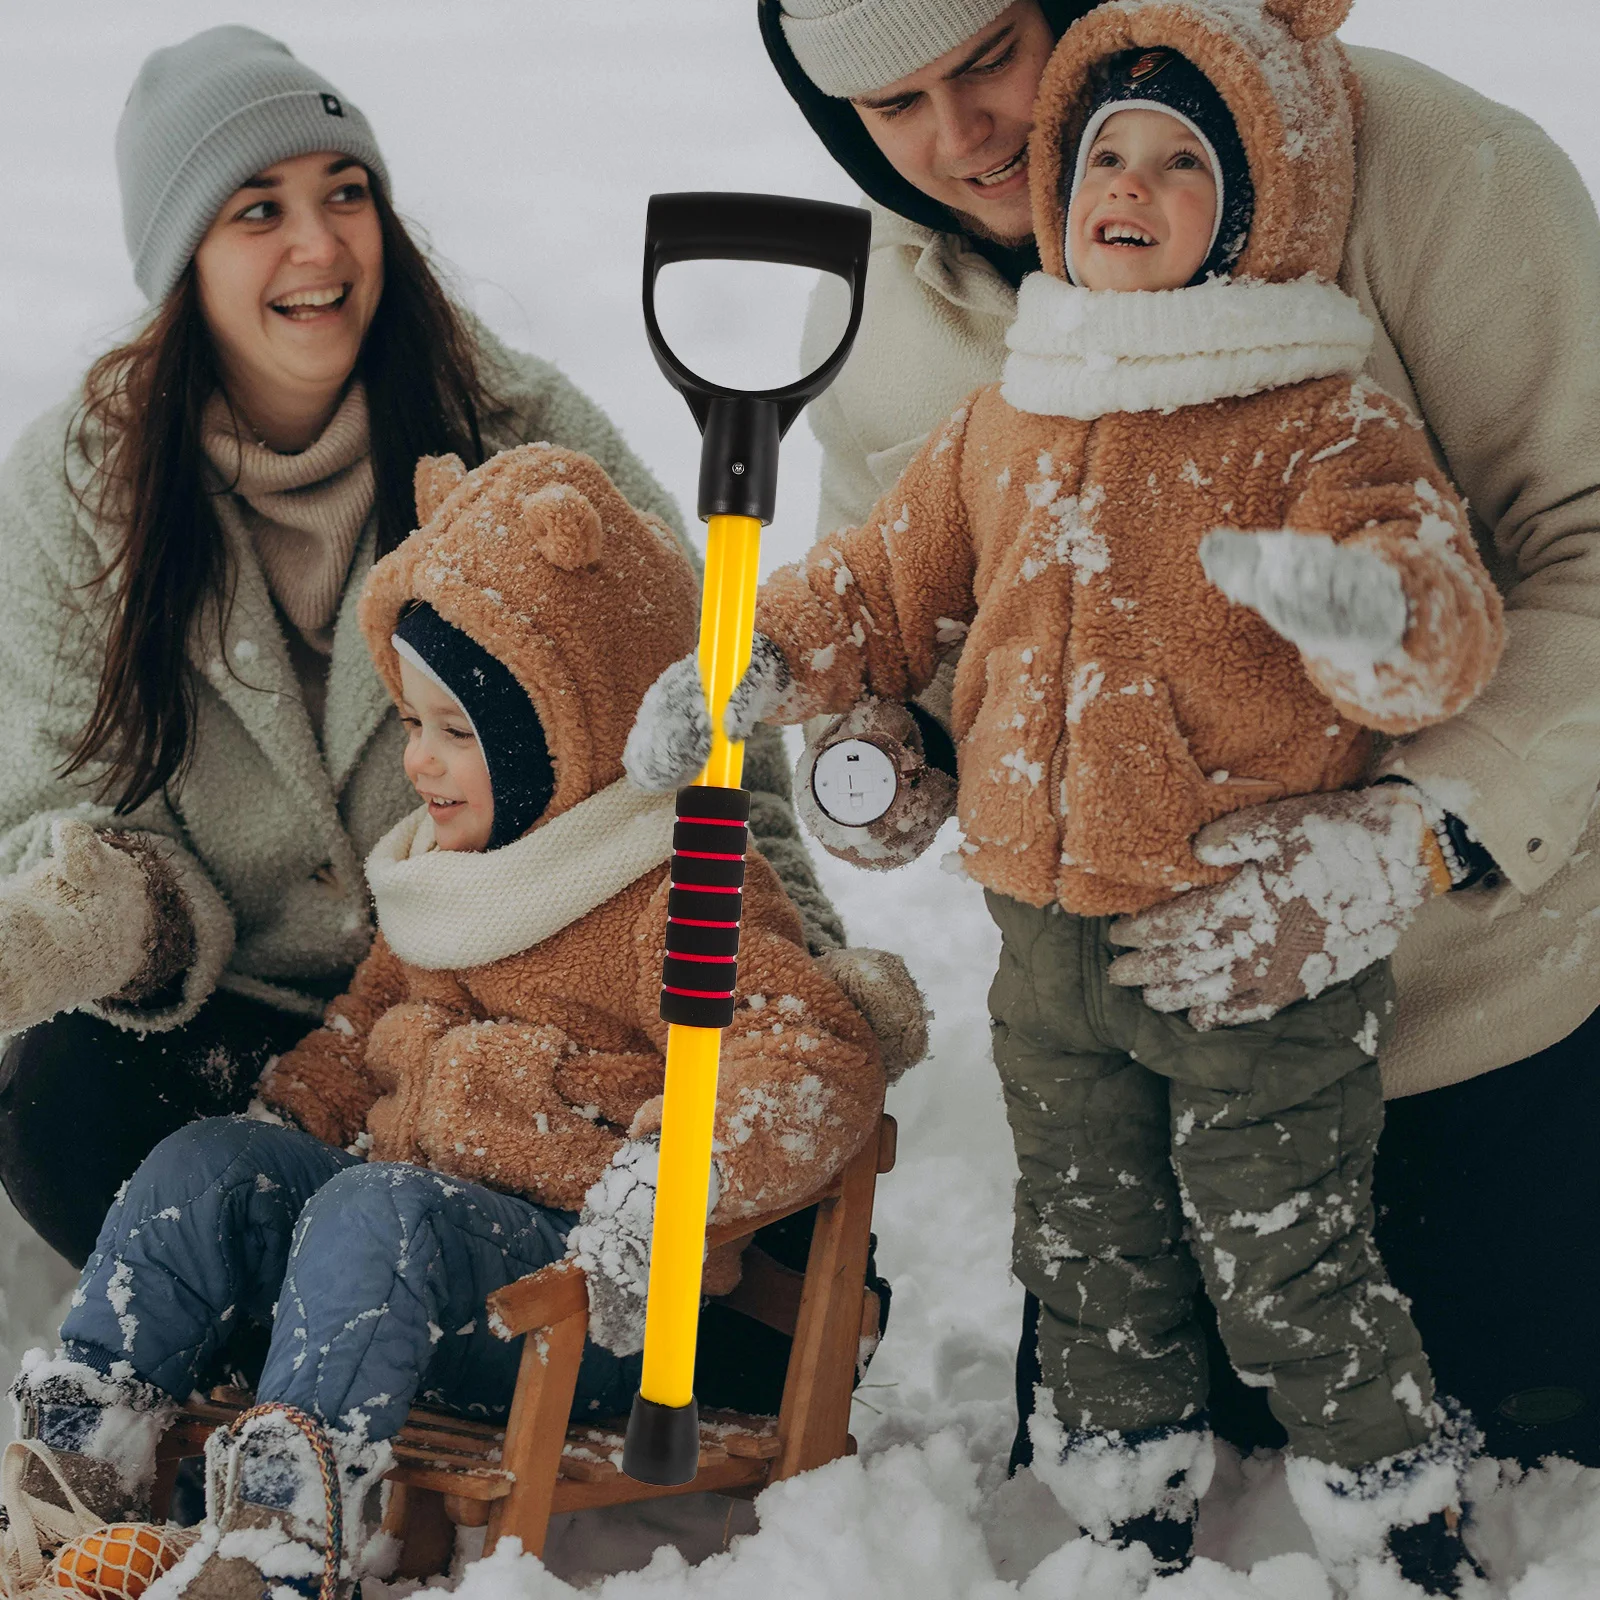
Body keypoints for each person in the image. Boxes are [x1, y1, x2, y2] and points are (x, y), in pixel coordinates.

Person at [629, 7, 1502, 1589]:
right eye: (1108, 153)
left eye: (1185, 162)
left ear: (1261, 204)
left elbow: (1438, 616)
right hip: (1051, 950)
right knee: (1086, 1241)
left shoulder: (1317, 410)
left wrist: (1360, 608)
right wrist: (753, 670)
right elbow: (874, 595)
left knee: (1286, 1249)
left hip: (1256, 945)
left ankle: (1393, 1505)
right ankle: (1126, 1500)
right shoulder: (1005, 417)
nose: (1134, 185)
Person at [0, 24, 858, 1270]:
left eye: (345, 194)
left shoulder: (523, 439)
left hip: (529, 1003)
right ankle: (329, 1319)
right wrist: (109, 919)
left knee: (751, 1252)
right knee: (62, 1103)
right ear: (180, 259)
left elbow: (710, 762)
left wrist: (803, 1004)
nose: (319, 245)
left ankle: (413, 1294)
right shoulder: (77, 493)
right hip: (251, 1027)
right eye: (257, 211)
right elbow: (51, 794)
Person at [8, 442, 890, 1600]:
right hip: (397, 1276)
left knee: (379, 1210)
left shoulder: (673, 886)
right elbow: (359, 1034)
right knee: (208, 1166)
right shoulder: (449, 879)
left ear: (567, 731)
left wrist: (663, 1190)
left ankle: (281, 1536)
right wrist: (279, 1133)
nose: (417, 761)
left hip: (572, 1312)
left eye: (456, 732)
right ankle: (80, 1455)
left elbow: (816, 1058)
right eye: (410, 720)